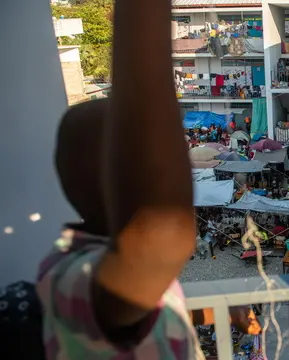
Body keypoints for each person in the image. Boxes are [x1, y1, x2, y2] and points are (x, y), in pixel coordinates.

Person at [37, 1, 261, 357]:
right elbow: (161, 237)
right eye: (142, 153)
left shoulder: (89, 265)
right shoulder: (74, 277)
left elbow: (148, 312)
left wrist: (215, 312)